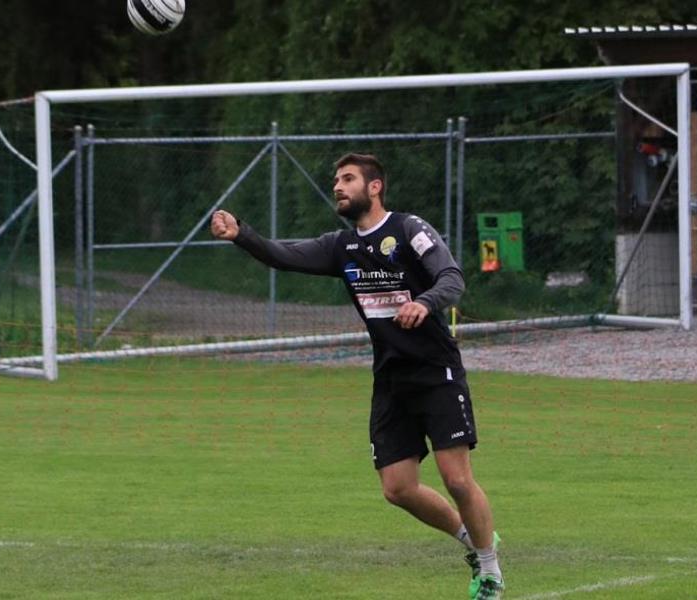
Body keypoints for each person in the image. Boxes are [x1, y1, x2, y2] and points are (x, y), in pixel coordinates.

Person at [210, 152, 504, 599]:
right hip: (390, 379)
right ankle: (473, 539)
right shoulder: (341, 247)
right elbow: (283, 255)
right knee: (397, 488)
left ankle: (490, 572)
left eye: (348, 179)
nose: (338, 187)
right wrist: (242, 235)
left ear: (374, 187)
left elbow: (452, 277)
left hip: (435, 371)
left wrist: (424, 302)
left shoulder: (409, 230)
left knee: (458, 479)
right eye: (336, 180)